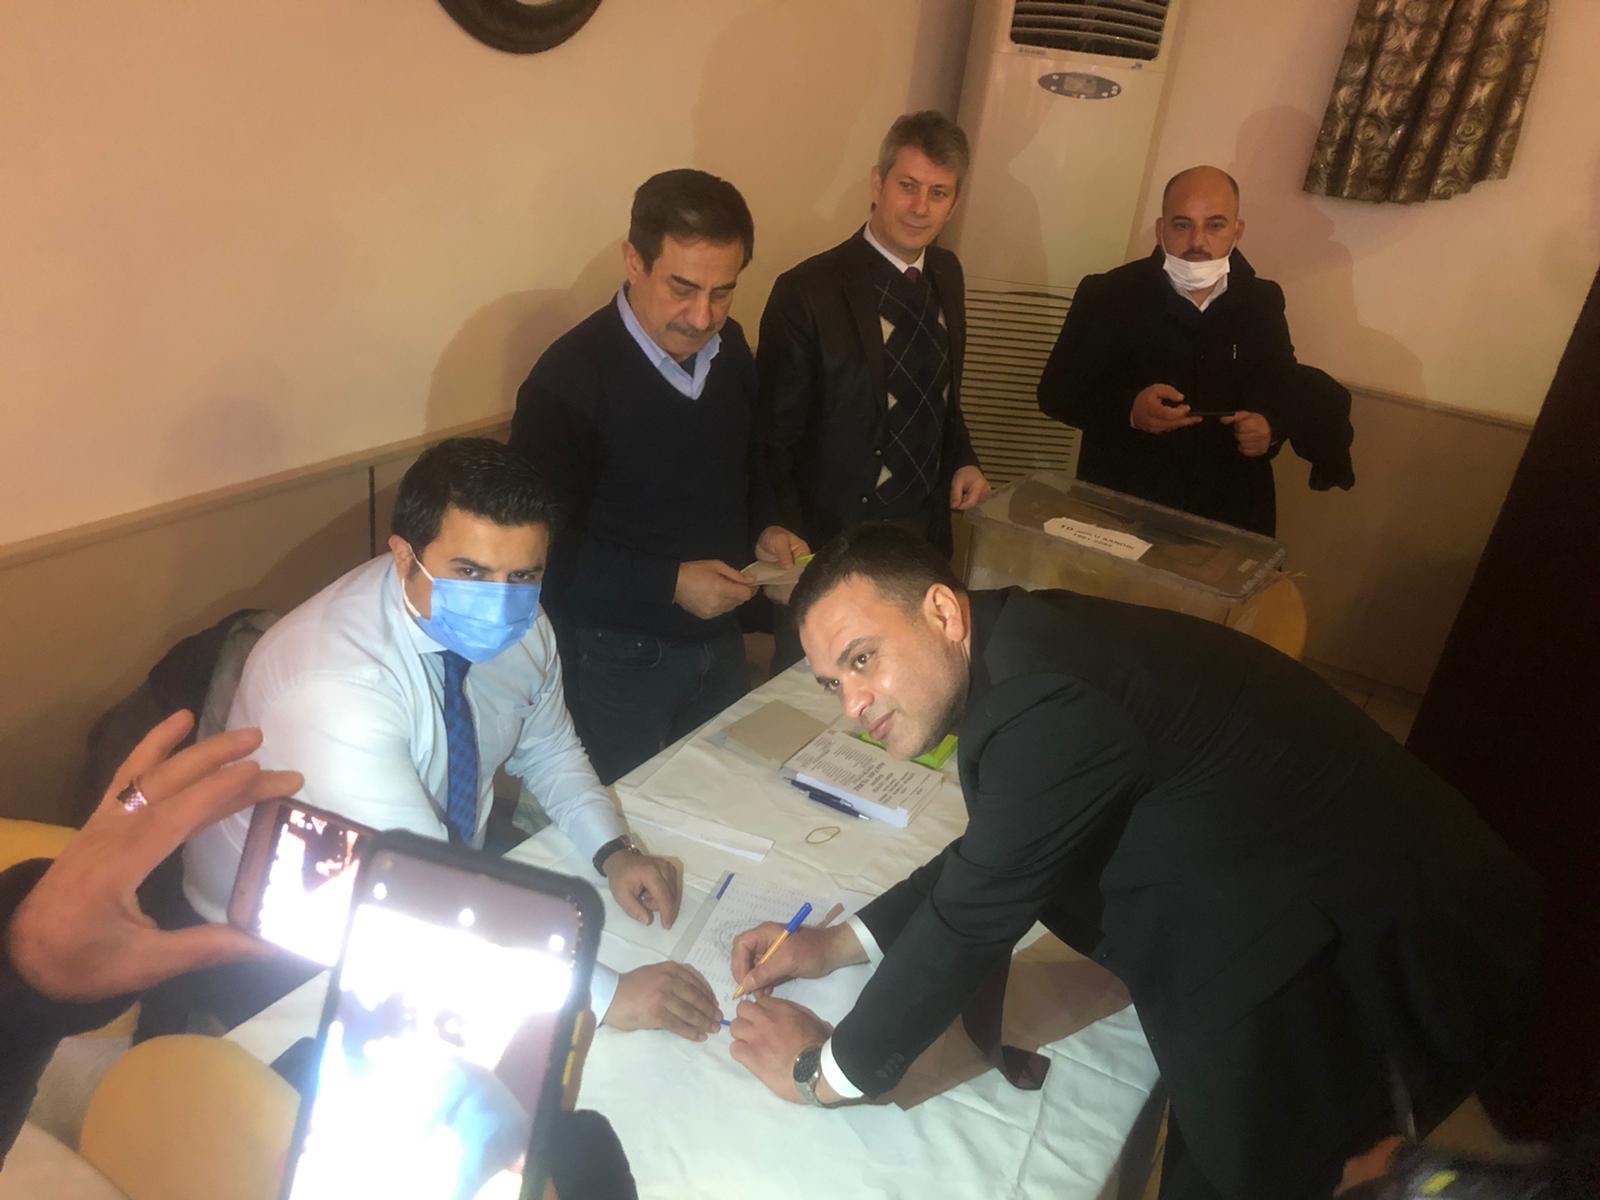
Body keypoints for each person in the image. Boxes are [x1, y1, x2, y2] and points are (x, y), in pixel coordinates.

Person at [724, 524, 1540, 1199]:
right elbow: (1000, 850)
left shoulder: (1044, 695)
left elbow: (971, 916)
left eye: (862, 658)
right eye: (831, 683)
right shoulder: (1018, 644)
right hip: (1280, 889)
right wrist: (837, 943)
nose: (852, 705)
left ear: (941, 611)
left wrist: (822, 1074)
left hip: (1355, 936)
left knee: (1262, 1175)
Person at [184, 438, 723, 1042]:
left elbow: (549, 749)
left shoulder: (523, 624)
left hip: (434, 873)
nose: (501, 601)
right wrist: (606, 994)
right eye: (471, 572)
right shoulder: (337, 685)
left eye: (523, 575)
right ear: (403, 556)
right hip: (275, 943)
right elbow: (423, 894)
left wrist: (613, 850)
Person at [509, 170, 807, 784]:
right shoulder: (567, 379)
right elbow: (536, 554)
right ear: (634, 261)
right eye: (682, 288)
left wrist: (766, 528)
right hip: (610, 655)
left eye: (723, 293)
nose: (701, 317)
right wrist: (667, 583)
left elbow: (751, 461)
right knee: (612, 816)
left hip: (719, 638)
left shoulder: (731, 350)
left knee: (718, 797)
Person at [1037, 165, 1350, 536]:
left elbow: (1278, 384)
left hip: (1230, 511)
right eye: (1182, 224)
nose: (1197, 241)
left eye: (1215, 225)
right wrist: (1130, 410)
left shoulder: (1262, 301)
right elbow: (1056, 393)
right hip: (1122, 504)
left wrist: (1271, 428)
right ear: (1161, 229)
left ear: (1237, 231)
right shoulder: (1107, 293)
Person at [756, 109, 991, 572]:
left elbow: (937, 394)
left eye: (938, 192)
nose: (920, 207)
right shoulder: (806, 291)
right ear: (877, 184)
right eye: (908, 186)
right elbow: (772, 438)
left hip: (923, 536)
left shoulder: (948, 273)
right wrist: (783, 534)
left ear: (954, 203)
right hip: (832, 541)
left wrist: (964, 460)